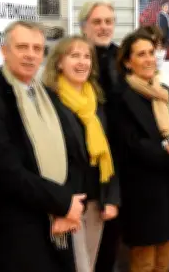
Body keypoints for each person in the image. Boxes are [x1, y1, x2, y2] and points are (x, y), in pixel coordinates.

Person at [0, 21, 86, 272]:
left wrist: (70, 206)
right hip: (18, 233)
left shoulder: (49, 97)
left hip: (60, 226)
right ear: (4, 51)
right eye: (22, 47)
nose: (30, 55)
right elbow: (5, 172)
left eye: (37, 48)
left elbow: (73, 152)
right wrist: (63, 203)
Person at [114, 31, 169, 272]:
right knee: (144, 260)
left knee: (164, 257)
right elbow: (135, 145)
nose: (149, 59)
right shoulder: (121, 97)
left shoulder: (163, 92)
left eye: (151, 53)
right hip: (143, 191)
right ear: (128, 62)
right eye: (141, 54)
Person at [43, 36, 121, 272]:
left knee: (91, 262)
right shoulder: (50, 101)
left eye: (86, 56)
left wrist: (112, 198)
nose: (82, 62)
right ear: (59, 62)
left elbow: (109, 150)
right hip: (68, 202)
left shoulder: (95, 101)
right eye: (74, 55)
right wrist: (60, 205)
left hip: (97, 198)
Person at [79, 0, 124, 272]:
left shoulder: (122, 58)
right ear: (84, 26)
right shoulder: (77, 57)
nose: (103, 27)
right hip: (89, 165)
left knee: (111, 242)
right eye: (97, 22)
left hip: (118, 163)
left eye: (108, 21)